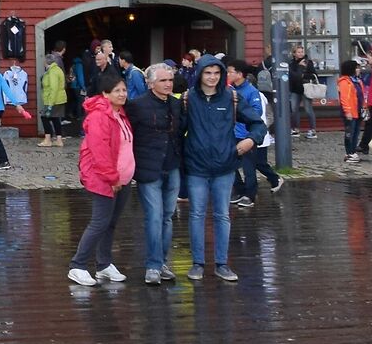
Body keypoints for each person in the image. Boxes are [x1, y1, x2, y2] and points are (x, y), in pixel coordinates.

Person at [181, 57, 246, 282]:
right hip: (197, 166)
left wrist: (250, 140)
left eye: (216, 73)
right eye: (207, 73)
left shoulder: (231, 97)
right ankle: (198, 263)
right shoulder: (189, 98)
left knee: (222, 215)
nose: (212, 77)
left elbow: (257, 122)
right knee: (197, 214)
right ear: (200, 74)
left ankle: (222, 263)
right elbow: (178, 129)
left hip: (224, 165)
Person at [66, 78, 136, 286]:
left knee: (110, 223)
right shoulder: (99, 116)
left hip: (122, 178)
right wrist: (112, 177)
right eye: (117, 90)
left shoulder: (120, 114)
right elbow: (100, 150)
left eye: (124, 90)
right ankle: (77, 265)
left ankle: (104, 264)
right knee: (99, 223)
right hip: (104, 178)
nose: (122, 94)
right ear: (105, 94)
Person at [125, 62, 186, 286]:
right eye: (163, 80)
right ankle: (152, 264)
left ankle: (162, 262)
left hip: (172, 165)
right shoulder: (137, 105)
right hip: (148, 167)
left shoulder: (177, 104)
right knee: (154, 216)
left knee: (167, 217)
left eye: (170, 80)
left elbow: (181, 132)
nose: (168, 84)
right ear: (151, 84)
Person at [226, 60, 279, 206]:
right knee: (231, 165)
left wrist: (239, 117)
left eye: (230, 71)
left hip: (246, 135)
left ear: (239, 74)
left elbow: (257, 112)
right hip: (232, 134)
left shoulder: (251, 91)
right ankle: (240, 190)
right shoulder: (230, 90)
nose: (228, 74)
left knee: (249, 167)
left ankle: (250, 195)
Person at [288, 46, 320, 140]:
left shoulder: (308, 62)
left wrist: (302, 75)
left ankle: (313, 130)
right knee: (294, 110)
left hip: (306, 88)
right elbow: (291, 76)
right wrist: (299, 69)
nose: (301, 54)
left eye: (302, 52)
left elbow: (314, 75)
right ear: (294, 53)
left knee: (308, 109)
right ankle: (296, 129)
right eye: (298, 52)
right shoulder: (291, 63)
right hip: (295, 89)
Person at [38, 52, 69, 147]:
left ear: (47, 62)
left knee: (44, 117)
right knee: (56, 119)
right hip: (59, 99)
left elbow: (54, 88)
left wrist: (50, 104)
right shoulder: (57, 69)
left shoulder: (52, 72)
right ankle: (59, 140)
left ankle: (48, 139)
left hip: (53, 100)